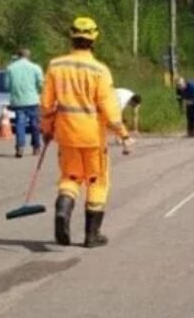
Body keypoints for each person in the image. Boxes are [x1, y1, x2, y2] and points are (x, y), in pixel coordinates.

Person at [41, 16, 133, 248]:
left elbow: (46, 105)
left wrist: (46, 130)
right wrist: (123, 134)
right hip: (92, 137)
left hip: (67, 135)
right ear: (93, 39)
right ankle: (92, 236)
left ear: (71, 37)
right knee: (96, 181)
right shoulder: (100, 70)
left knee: (70, 178)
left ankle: (62, 210)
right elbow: (110, 111)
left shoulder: (56, 66)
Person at [5, 47, 45, 158]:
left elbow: (7, 85)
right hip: (32, 100)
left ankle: (20, 147)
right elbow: (41, 84)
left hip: (18, 101)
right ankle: (36, 146)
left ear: (18, 56)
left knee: (20, 124)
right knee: (35, 124)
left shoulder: (10, 68)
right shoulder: (35, 68)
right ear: (28, 56)